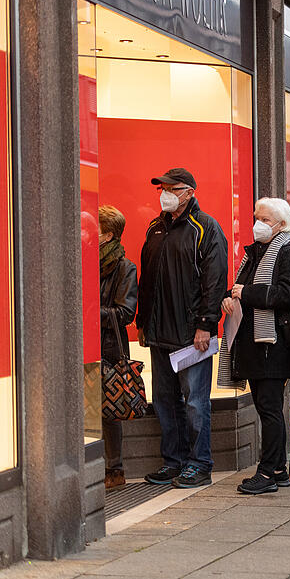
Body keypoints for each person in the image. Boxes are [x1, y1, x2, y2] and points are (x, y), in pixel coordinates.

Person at [138, 168, 228, 488]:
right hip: (160, 332)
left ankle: (200, 463)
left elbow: (214, 282)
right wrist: (143, 322)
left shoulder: (205, 228)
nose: (163, 193)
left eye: (170, 188)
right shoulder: (155, 228)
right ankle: (174, 462)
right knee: (165, 399)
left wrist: (206, 324)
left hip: (192, 335)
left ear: (188, 192)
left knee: (194, 402)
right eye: (161, 188)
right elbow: (147, 281)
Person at [219, 198, 290, 495]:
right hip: (255, 345)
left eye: (265, 219)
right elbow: (237, 289)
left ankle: (267, 472)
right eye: (256, 217)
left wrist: (248, 293)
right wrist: (229, 298)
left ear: (281, 224)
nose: (258, 223)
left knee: (269, 409)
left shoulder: (287, 252)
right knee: (266, 407)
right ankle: (278, 468)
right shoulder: (254, 253)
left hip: (274, 345)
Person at [98, 205, 138, 489]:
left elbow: (125, 313)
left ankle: (115, 469)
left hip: (109, 346)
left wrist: (90, 311)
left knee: (108, 411)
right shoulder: (83, 260)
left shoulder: (124, 267)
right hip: (86, 344)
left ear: (108, 234)